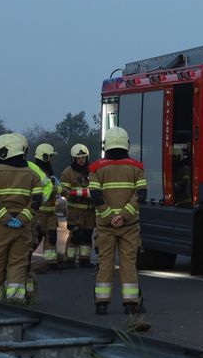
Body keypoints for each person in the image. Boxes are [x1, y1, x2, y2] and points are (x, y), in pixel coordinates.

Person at [89, 127, 147, 316]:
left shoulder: (96, 168)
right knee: (128, 263)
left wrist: (109, 216)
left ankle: (101, 304)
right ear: (126, 145)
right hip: (129, 226)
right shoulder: (137, 168)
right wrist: (124, 215)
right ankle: (131, 304)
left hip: (105, 227)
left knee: (105, 263)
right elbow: (141, 194)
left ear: (106, 145)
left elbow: (96, 196)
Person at [0, 133, 42, 304]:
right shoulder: (32, 174)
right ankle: (15, 300)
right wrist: (22, 219)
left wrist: (6, 219)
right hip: (23, 228)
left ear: (4, 152)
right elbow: (36, 201)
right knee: (18, 263)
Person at [60, 143, 96, 269]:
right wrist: (77, 193)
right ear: (73, 159)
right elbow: (64, 190)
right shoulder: (68, 172)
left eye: (83, 157)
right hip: (75, 210)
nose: (81, 160)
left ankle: (84, 260)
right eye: (78, 158)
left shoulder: (93, 170)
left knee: (87, 236)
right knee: (76, 235)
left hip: (90, 211)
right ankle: (69, 260)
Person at [31, 143, 62, 271]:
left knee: (51, 237)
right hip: (39, 212)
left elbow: (55, 187)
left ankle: (51, 261)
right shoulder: (36, 172)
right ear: (44, 157)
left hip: (50, 213)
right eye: (50, 156)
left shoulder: (48, 173)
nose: (51, 159)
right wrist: (60, 189)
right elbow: (52, 188)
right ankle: (22, 260)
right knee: (34, 238)